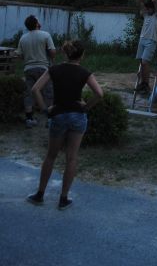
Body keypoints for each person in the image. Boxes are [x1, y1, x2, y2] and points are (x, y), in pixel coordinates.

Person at [27, 40, 103, 210]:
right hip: (77, 116)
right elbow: (99, 93)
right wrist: (85, 107)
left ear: (66, 53)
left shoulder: (54, 70)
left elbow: (35, 89)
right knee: (72, 158)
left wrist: (46, 110)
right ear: (82, 55)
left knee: (51, 156)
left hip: (58, 115)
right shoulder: (85, 72)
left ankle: (40, 194)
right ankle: (63, 199)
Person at [15, 14, 56, 128]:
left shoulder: (23, 38)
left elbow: (19, 55)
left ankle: (29, 119)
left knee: (29, 93)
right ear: (37, 24)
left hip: (28, 69)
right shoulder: (45, 35)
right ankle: (50, 119)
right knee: (48, 93)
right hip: (44, 69)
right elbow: (52, 52)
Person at [135, 0, 157, 95]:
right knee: (142, 62)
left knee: (145, 62)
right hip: (142, 40)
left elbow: (154, 0)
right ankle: (143, 84)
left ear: (152, 8)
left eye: (148, 8)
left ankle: (146, 84)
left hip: (151, 41)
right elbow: (139, 2)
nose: (147, 9)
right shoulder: (146, 15)